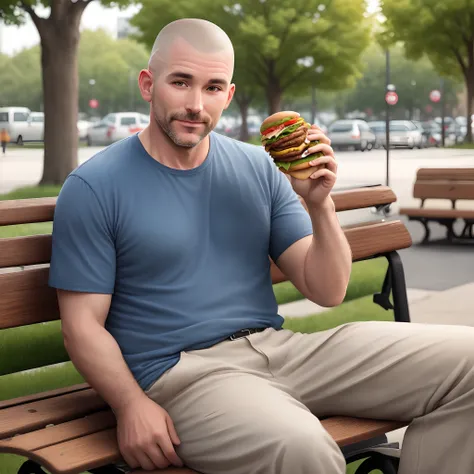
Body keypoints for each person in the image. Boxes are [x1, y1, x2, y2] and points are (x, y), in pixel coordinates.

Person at [49, 18, 474, 474]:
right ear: (148, 85)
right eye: (180, 82)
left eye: (213, 87)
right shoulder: (94, 187)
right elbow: (82, 326)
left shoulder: (258, 167)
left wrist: (319, 206)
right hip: (184, 377)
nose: (195, 104)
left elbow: (327, 289)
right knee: (302, 447)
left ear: (228, 96)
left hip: (282, 350)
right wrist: (130, 405)